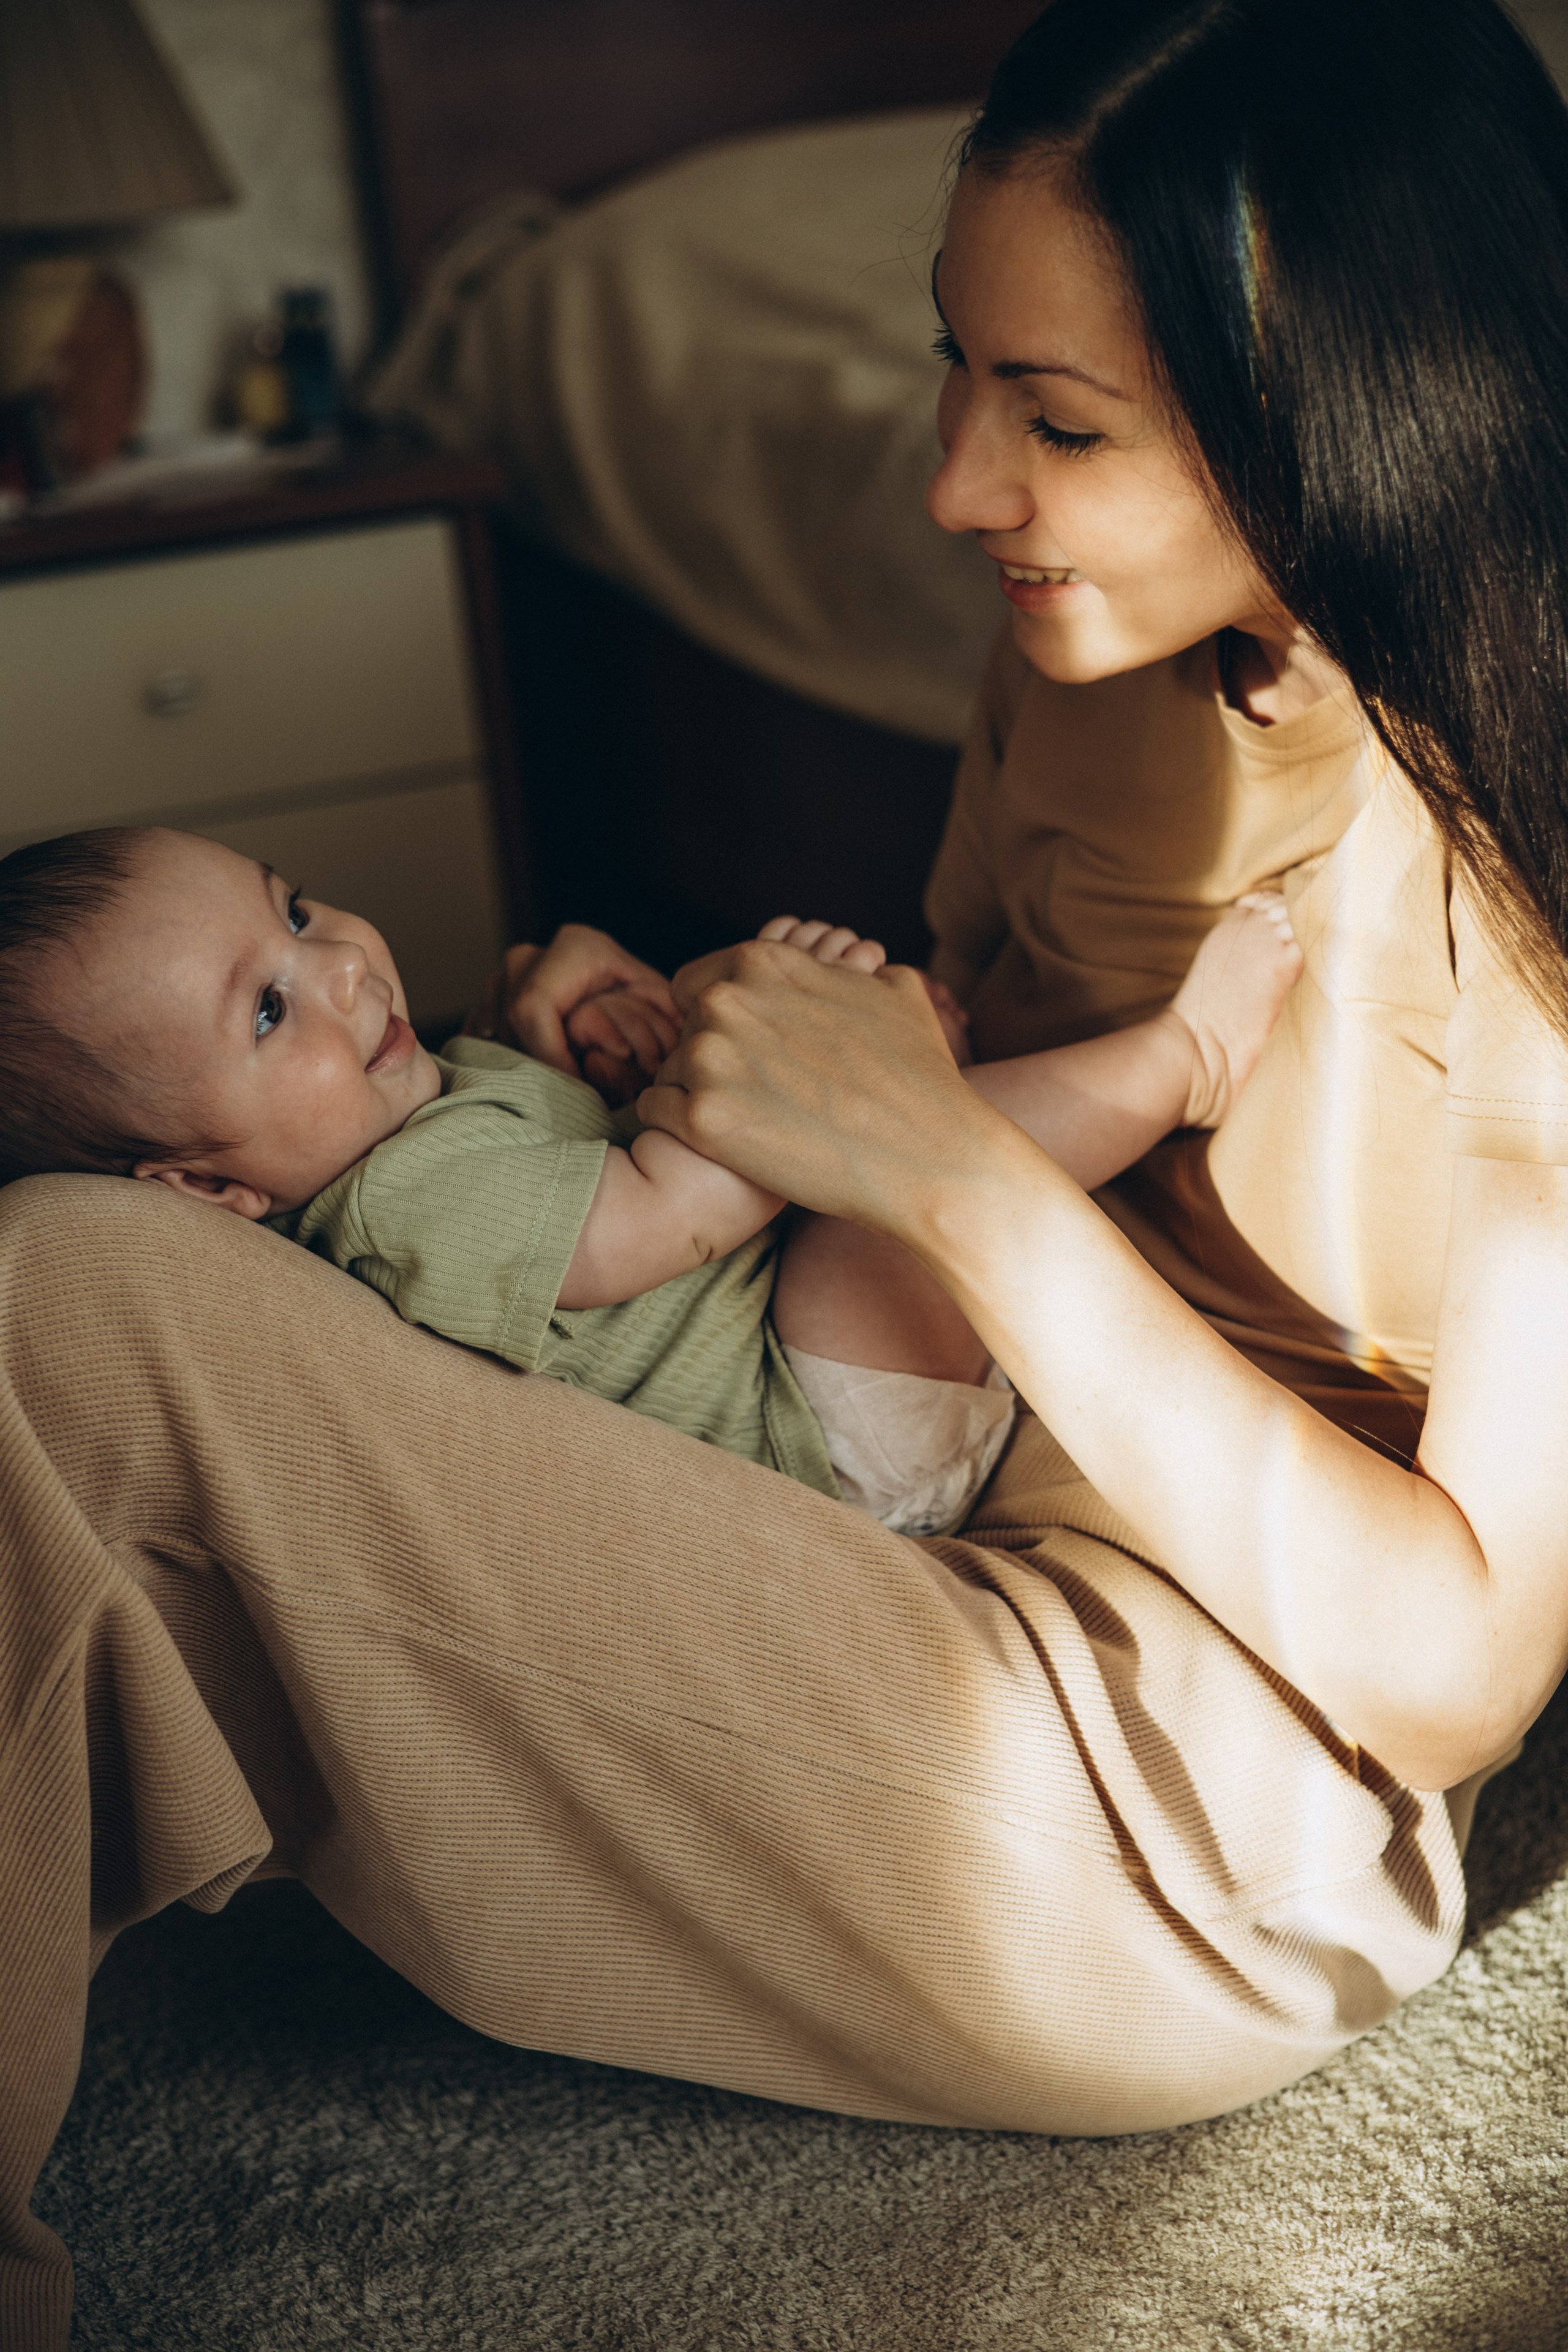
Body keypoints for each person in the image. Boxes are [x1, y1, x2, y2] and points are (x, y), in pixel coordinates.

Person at [5, 2, 1567, 2343]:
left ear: (1347, 411)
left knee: (69, 1314)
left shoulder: (1506, 855)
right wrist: (667, 1056)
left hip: (1187, 1799)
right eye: (953, 366)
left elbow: (1454, 1681)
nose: (956, 485)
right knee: (124, 1300)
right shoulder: (1090, 651)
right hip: (881, 1512)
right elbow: (937, 1061)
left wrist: (947, 1177)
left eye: (1058, 420)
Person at [0, 824, 1298, 1537]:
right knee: (877, 1192)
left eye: (294, 910)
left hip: (798, 1352)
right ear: (207, 1189)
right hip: (822, 1444)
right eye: (268, 1011)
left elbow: (596, 1163)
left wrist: (637, 1064)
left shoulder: (411, 1112)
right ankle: (1185, 1061)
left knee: (869, 1145)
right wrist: (820, 1060)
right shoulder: (401, 1206)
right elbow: (667, 1216)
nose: (338, 965)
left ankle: (948, 1078)